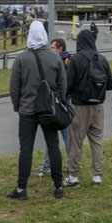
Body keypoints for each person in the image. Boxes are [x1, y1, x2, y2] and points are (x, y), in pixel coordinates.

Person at [8, 21, 67, 200]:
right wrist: (59, 102)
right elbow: (62, 85)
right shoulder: (55, 58)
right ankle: (58, 186)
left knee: (26, 149)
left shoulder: (21, 59)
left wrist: (17, 105)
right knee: (53, 146)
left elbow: (14, 87)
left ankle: (21, 188)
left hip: (27, 109)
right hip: (48, 109)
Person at [63, 30, 112, 188]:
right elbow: (111, 84)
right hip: (98, 105)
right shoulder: (102, 59)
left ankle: (73, 175)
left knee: (76, 142)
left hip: (80, 106)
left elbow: (68, 84)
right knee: (97, 141)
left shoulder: (76, 59)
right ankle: (97, 176)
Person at [38, 38, 72, 177]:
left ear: (60, 49)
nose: (50, 50)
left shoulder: (64, 63)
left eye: (53, 47)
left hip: (60, 103)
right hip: (57, 102)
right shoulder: (63, 61)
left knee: (64, 135)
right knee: (54, 135)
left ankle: (70, 163)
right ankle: (48, 165)